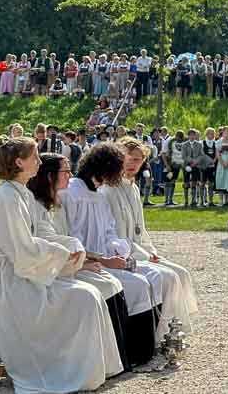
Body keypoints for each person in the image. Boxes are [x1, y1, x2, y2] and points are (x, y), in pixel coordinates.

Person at [0, 138, 125, 393]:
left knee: (89, 294)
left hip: (25, 275)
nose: (39, 161)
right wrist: (61, 253)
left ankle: (77, 367)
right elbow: (22, 249)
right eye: (35, 156)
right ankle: (62, 369)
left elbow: (42, 234)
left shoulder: (22, 193)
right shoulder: (7, 197)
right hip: (12, 284)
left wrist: (72, 246)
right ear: (19, 162)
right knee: (83, 297)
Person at [27, 152, 140, 371]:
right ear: (50, 176)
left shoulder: (56, 204)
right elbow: (50, 245)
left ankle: (119, 358)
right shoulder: (39, 205)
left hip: (67, 265)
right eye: (65, 171)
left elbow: (71, 242)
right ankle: (97, 363)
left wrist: (91, 260)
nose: (70, 175)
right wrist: (88, 262)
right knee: (98, 289)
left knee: (111, 283)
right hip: (49, 271)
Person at [59, 143, 176, 346]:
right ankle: (134, 348)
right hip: (85, 263)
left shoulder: (98, 195)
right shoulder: (71, 192)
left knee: (155, 276)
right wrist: (103, 259)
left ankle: (153, 342)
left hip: (107, 258)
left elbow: (109, 232)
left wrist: (118, 249)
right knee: (138, 285)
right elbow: (70, 237)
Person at [103, 138, 199, 333]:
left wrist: (151, 251)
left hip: (140, 249)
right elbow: (119, 235)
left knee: (182, 273)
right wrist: (146, 256)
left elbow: (141, 229)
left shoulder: (134, 188)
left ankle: (174, 328)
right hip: (123, 253)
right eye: (128, 159)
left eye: (137, 160)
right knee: (171, 276)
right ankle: (162, 333)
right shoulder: (110, 189)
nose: (132, 164)